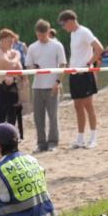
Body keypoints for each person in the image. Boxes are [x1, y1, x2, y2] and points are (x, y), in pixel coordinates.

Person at [58, 10, 104, 149]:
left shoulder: (84, 31)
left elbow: (99, 48)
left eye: (64, 24)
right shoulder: (73, 34)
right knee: (77, 106)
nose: (64, 28)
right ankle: (80, 138)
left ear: (70, 21)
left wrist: (89, 63)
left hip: (84, 73)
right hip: (74, 73)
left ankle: (93, 138)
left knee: (88, 106)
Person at [25, 20, 67, 153]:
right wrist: (34, 67)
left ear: (48, 32)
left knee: (53, 116)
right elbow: (28, 65)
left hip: (52, 85)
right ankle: (41, 143)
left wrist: (58, 82)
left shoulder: (57, 45)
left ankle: (53, 142)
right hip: (37, 86)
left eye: (43, 35)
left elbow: (62, 65)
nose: (41, 38)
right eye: (38, 35)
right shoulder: (32, 47)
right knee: (38, 117)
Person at [0, 29, 22, 127]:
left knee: (13, 115)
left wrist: (14, 59)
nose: (12, 44)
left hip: (13, 86)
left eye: (13, 41)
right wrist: (17, 56)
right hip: (1, 87)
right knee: (1, 117)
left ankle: (11, 138)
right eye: (10, 41)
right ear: (2, 40)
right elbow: (8, 65)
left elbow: (19, 69)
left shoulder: (11, 52)